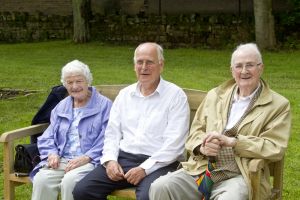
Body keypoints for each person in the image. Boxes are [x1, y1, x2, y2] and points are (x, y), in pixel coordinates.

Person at [149, 43, 291, 200]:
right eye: (239, 66)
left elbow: (275, 146)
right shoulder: (215, 95)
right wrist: (202, 146)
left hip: (240, 175)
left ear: (260, 68)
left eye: (250, 65)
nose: (244, 71)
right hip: (203, 170)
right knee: (161, 187)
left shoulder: (278, 105)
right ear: (232, 70)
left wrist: (234, 142)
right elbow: (195, 133)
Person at [73, 42, 190, 200]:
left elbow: (174, 145)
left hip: (160, 162)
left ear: (161, 65)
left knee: (148, 196)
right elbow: (112, 133)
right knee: (83, 190)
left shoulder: (175, 96)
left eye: (149, 62)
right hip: (124, 158)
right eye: (139, 62)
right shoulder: (124, 95)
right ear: (134, 66)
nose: (143, 67)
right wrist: (110, 161)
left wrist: (143, 169)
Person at [30, 60, 112, 200]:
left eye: (79, 81)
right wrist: (52, 153)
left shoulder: (104, 105)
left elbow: (108, 137)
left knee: (70, 182)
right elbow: (48, 136)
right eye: (70, 82)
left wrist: (87, 157)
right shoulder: (61, 106)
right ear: (65, 85)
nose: (75, 86)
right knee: (41, 179)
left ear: (88, 81)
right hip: (61, 159)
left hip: (90, 161)